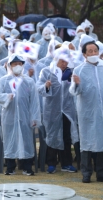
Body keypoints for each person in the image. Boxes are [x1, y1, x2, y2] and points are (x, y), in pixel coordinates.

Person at [0, 54, 41, 175]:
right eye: (15, 64)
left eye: (20, 64)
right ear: (10, 66)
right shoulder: (4, 80)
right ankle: (10, 167)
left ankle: (27, 167)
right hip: (9, 116)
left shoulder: (29, 81)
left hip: (25, 117)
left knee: (26, 141)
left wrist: (34, 117)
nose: (17, 66)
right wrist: (7, 97)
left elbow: (34, 101)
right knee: (10, 139)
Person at [36, 47, 78, 174]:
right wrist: (46, 86)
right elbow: (39, 87)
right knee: (52, 136)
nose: (64, 64)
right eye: (62, 61)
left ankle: (67, 163)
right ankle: (51, 163)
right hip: (52, 110)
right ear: (56, 59)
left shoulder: (71, 73)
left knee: (66, 136)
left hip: (67, 110)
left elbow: (75, 90)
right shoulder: (47, 71)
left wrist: (74, 82)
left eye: (66, 61)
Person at [69, 41, 103, 183]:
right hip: (87, 113)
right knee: (86, 143)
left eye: (95, 50)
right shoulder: (79, 70)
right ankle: (86, 173)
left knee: (101, 142)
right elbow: (73, 91)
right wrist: (76, 83)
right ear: (84, 54)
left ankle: (100, 172)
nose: (94, 54)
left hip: (101, 113)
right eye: (90, 51)